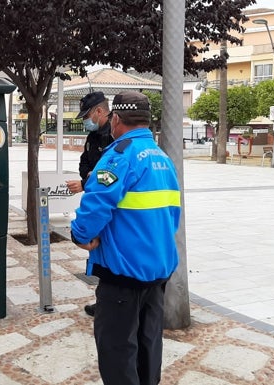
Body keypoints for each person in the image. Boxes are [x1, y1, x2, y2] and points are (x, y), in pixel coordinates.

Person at [70, 91, 181, 385]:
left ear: (115, 119)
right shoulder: (163, 159)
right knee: (148, 350)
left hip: (123, 278)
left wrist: (80, 235)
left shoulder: (119, 156)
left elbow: (96, 205)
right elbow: (172, 217)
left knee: (118, 354)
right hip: (157, 274)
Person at [65, 91, 114, 317]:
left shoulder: (114, 136)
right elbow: (85, 164)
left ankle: (108, 303)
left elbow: (109, 177)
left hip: (109, 204)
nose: (85, 120)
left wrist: (88, 181)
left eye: (87, 115)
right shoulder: (93, 136)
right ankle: (103, 300)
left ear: (99, 111)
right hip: (95, 197)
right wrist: (88, 179)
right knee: (97, 256)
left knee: (108, 253)